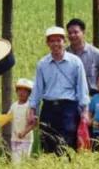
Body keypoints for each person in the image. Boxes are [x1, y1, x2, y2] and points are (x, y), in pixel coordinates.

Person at [27, 26, 90, 154]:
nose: (55, 44)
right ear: (47, 43)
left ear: (64, 41)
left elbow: (82, 88)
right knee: (48, 143)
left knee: (68, 143)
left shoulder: (75, 62)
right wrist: (32, 110)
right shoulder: (42, 64)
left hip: (69, 108)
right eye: (52, 41)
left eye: (58, 40)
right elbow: (37, 89)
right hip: (49, 108)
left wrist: (85, 111)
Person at [0, 78, 35, 164]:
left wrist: (24, 132)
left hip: (26, 140)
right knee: (15, 161)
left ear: (29, 93)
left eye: (25, 91)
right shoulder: (14, 105)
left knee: (22, 161)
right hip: (15, 139)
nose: (21, 93)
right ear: (16, 91)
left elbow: (34, 123)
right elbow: (7, 118)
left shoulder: (29, 106)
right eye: (20, 90)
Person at [66, 18, 99, 95]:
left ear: (83, 32)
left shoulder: (95, 53)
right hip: (70, 96)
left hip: (93, 95)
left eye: (75, 32)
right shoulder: (64, 54)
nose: (72, 35)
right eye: (70, 33)